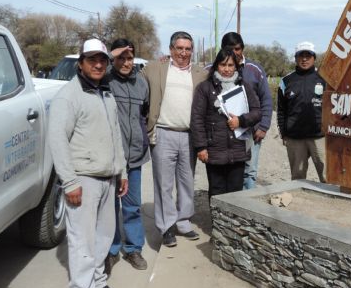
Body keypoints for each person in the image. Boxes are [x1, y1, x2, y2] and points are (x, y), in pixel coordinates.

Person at [48, 38, 128, 288]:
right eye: (92, 59)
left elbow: (115, 134)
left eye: (102, 60)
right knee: (83, 240)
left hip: (108, 178)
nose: (98, 64)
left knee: (104, 236)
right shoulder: (69, 96)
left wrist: (121, 171)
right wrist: (69, 182)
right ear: (80, 62)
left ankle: (97, 283)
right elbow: (57, 140)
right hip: (83, 179)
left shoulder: (105, 93)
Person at [142, 31, 207, 247]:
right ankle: (166, 227)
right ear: (171, 50)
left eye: (188, 49)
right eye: (179, 48)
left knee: (187, 181)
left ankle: (183, 221)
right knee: (164, 183)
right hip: (163, 133)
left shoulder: (200, 74)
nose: (183, 53)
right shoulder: (155, 68)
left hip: (189, 135)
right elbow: (136, 79)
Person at [104, 39, 150, 274]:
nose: (125, 62)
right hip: (111, 159)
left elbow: (145, 114)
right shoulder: (105, 81)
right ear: (113, 58)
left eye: (129, 58)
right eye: (120, 57)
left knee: (132, 206)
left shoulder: (141, 83)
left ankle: (133, 248)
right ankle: (110, 251)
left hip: (134, 158)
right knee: (110, 207)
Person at [191, 47, 261, 200]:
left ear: (236, 66)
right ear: (216, 65)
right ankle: (218, 224)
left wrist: (241, 120)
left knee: (235, 193)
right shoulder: (205, 88)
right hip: (215, 150)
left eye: (231, 65)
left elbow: (257, 111)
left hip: (238, 149)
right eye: (223, 65)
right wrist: (201, 147)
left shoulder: (244, 87)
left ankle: (232, 224)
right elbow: (197, 119)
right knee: (216, 191)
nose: (227, 69)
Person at [220, 32, 272, 189]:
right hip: (225, 132)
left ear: (242, 48)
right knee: (225, 170)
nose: (234, 52)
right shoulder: (214, 69)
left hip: (250, 130)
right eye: (230, 49)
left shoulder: (254, 70)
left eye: (237, 48)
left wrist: (263, 126)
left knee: (249, 171)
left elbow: (266, 100)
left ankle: (246, 207)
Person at [277, 41, 326, 182]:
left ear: (314, 58)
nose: (304, 59)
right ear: (295, 58)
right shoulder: (286, 81)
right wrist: (284, 133)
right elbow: (281, 110)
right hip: (295, 138)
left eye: (308, 55)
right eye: (301, 55)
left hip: (320, 136)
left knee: (328, 178)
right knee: (297, 179)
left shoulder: (324, 79)